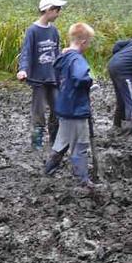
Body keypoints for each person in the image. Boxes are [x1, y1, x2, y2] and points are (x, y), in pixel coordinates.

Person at [45, 23, 96, 187]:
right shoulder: (77, 59)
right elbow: (81, 77)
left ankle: (48, 171)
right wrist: (90, 82)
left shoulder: (64, 57)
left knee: (62, 142)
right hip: (76, 109)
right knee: (80, 145)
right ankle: (83, 180)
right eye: (89, 42)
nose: (89, 45)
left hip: (64, 106)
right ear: (83, 41)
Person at [17, 0, 66, 150]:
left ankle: (54, 140)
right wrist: (23, 69)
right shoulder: (33, 31)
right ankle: (36, 144)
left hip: (53, 78)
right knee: (38, 112)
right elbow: (26, 52)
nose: (58, 14)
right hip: (38, 79)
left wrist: (63, 71)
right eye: (57, 10)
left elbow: (56, 53)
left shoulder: (54, 31)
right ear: (48, 10)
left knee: (58, 109)